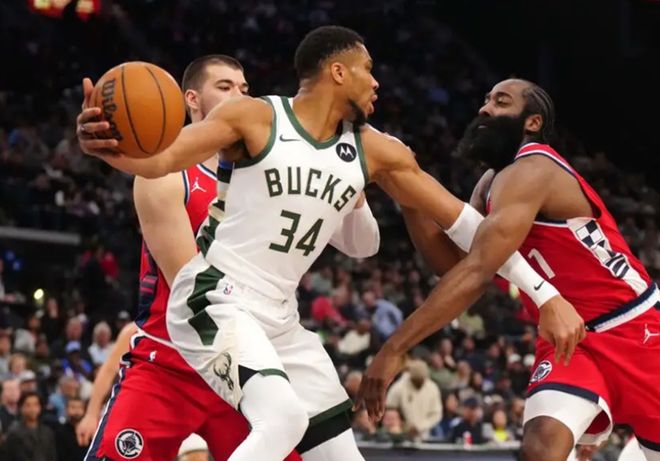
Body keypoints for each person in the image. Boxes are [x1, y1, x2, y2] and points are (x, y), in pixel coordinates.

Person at [80, 26, 580, 460]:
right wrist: (104, 146)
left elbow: (468, 225)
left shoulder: (375, 150)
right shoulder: (256, 117)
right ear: (338, 72)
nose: (376, 82)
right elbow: (161, 160)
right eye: (368, 70)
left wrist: (546, 295)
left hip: (280, 320)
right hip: (214, 296)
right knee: (283, 419)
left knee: (340, 453)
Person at [76, 52, 379, 461]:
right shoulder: (164, 177)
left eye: (244, 88)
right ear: (191, 100)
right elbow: (192, 287)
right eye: (224, 87)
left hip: (242, 364)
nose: (240, 95)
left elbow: (356, 241)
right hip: (173, 361)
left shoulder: (268, 170)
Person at [361, 78, 660, 460]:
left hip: (637, 331)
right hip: (570, 341)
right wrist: (410, 198)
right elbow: (451, 267)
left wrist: (395, 348)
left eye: (501, 102)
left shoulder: (535, 168)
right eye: (486, 99)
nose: (485, 108)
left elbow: (477, 271)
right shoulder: (489, 182)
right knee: (540, 447)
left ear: (532, 122)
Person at [3, 391, 57, 461]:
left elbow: (52, 456)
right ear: (21, 408)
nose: (32, 409)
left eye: (36, 405)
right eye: (28, 405)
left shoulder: (47, 432)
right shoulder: (14, 433)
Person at [54, 396, 89, 461]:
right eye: (73, 407)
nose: (76, 411)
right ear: (66, 410)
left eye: (80, 407)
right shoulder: (60, 432)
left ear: (85, 410)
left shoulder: (90, 431)